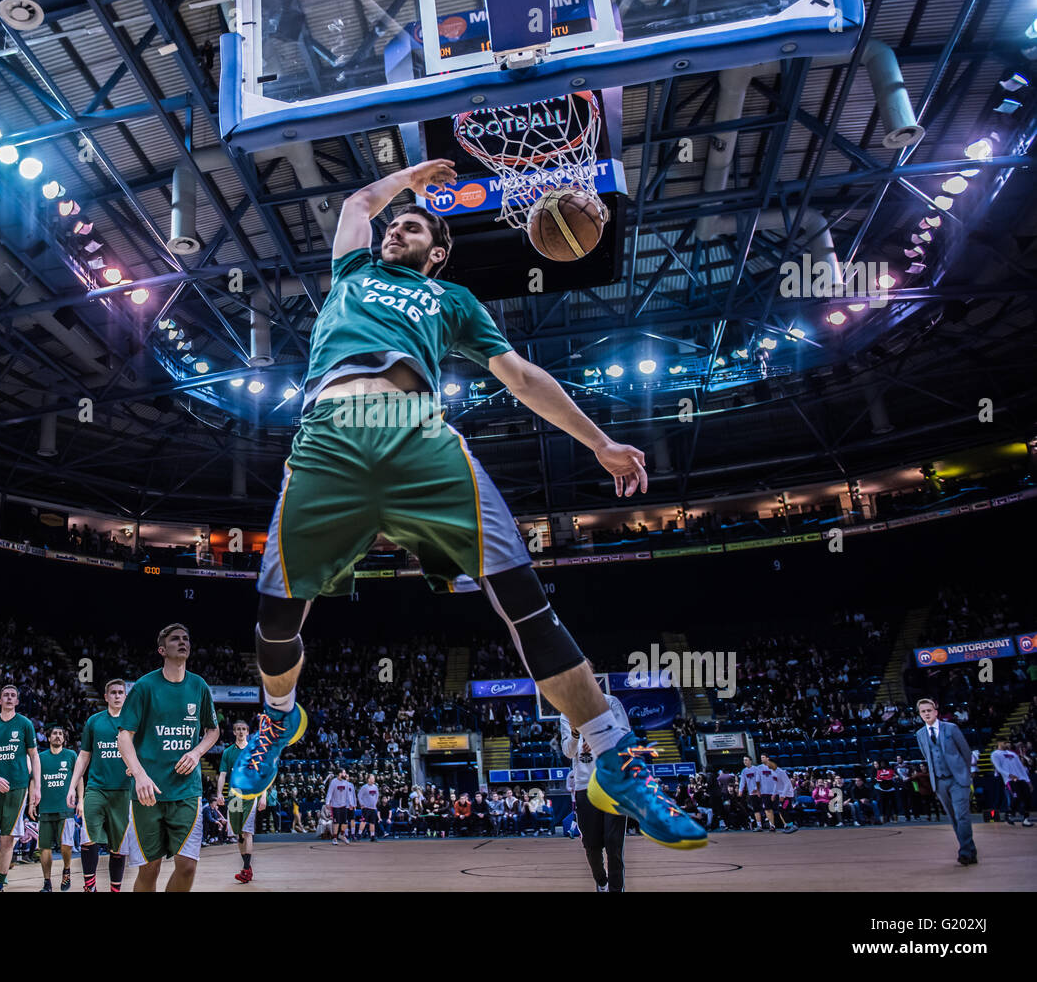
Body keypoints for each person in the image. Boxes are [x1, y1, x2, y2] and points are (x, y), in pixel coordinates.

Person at [226, 160, 705, 851]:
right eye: (394, 227)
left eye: (413, 228)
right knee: (276, 614)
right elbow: (359, 202)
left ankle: (612, 755)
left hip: (420, 438)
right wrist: (412, 178)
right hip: (327, 443)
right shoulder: (351, 275)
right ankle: (278, 719)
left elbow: (519, 376)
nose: (397, 231)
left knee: (523, 598)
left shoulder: (453, 302)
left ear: (439, 253)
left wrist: (599, 441)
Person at [117, 624, 219, 892]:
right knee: (150, 869)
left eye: (186, 638)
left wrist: (197, 752)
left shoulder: (199, 686)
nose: (182, 642)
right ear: (162, 650)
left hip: (186, 791)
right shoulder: (144, 687)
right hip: (148, 793)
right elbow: (124, 736)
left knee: (187, 866)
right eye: (175, 639)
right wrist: (139, 774)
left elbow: (213, 730)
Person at [70, 679, 134, 893]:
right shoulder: (94, 722)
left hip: (123, 791)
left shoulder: (133, 722)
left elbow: (141, 753)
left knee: (119, 848)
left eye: (120, 692)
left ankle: (115, 889)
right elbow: (83, 756)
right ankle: (90, 887)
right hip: (96, 789)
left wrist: (135, 768)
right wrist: (71, 787)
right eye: (113, 692)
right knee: (89, 840)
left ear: (125, 696)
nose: (117, 696)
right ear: (106, 697)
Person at [0, 684, 40, 892]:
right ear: (0, 700)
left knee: (7, 838)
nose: (10, 698)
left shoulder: (25, 724)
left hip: (18, 787)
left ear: (17, 701)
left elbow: (34, 756)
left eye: (13, 695)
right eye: (6, 695)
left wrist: (36, 787)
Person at [562, 706, 626, 891]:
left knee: (614, 843)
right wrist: (575, 735)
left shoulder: (611, 703)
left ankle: (616, 888)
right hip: (585, 787)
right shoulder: (566, 714)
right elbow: (568, 752)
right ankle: (601, 881)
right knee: (591, 845)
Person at [914, 698, 977, 865]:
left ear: (936, 712)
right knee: (953, 818)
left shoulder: (951, 728)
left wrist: (965, 775)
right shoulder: (920, 734)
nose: (926, 713)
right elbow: (927, 757)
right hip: (939, 782)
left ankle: (964, 852)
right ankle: (970, 851)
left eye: (929, 710)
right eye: (923, 711)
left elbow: (966, 752)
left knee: (961, 815)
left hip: (958, 779)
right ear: (920, 714)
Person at [218, 719, 264, 883]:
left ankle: (245, 869)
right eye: (237, 729)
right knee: (238, 833)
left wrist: (263, 796)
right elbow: (222, 775)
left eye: (243, 729)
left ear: (248, 731)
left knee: (247, 831)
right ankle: (248, 868)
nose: (240, 731)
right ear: (234, 732)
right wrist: (219, 794)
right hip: (233, 795)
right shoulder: (228, 752)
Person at [35, 725, 78, 892]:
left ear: (64, 738)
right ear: (48, 737)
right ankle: (47, 883)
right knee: (44, 847)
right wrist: (33, 802)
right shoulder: (40, 757)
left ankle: (66, 870)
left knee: (65, 845)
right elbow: (34, 781)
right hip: (45, 807)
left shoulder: (71, 755)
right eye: (54, 733)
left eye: (60, 734)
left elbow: (79, 778)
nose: (57, 736)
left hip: (65, 808)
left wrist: (80, 801)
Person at [991, 741, 1033, 826]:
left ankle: (1025, 819)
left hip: (1021, 778)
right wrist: (1009, 775)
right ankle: (1009, 814)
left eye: (1008, 743)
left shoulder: (1012, 754)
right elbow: (998, 768)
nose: (1008, 744)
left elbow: (1021, 767)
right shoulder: (995, 754)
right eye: (1005, 743)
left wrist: (1028, 781)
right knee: (1016, 797)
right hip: (1010, 779)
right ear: (999, 743)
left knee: (1027, 797)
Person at [738, 755, 769, 832]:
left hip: (760, 792)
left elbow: (760, 780)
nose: (744, 761)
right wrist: (740, 791)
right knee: (756, 809)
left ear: (750, 761)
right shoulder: (744, 771)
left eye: (746, 760)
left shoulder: (756, 769)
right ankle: (759, 825)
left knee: (766, 808)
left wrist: (757, 789)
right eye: (744, 760)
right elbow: (742, 782)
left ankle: (771, 824)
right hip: (752, 794)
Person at [325, 769, 356, 845]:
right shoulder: (334, 782)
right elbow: (329, 793)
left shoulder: (346, 783)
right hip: (335, 806)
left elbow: (349, 795)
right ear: (339, 774)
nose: (345, 774)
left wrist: (352, 804)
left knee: (345, 823)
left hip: (344, 806)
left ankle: (341, 835)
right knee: (336, 823)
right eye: (344, 772)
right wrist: (327, 802)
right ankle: (335, 838)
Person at [356, 773, 381, 842]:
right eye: (372, 778)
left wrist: (375, 804)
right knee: (363, 821)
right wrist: (362, 804)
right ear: (369, 779)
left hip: (373, 808)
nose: (374, 779)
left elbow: (377, 796)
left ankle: (372, 836)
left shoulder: (375, 787)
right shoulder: (364, 787)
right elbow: (359, 796)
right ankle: (359, 834)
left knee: (372, 822)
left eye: (374, 778)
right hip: (366, 808)